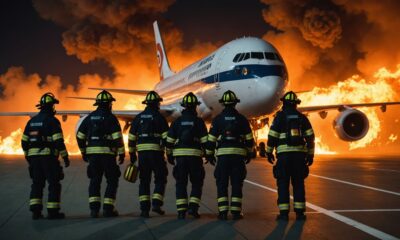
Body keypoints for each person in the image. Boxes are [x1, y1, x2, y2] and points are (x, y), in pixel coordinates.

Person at [266, 91, 315, 221]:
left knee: (283, 185)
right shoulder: (302, 118)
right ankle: (300, 214)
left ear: (284, 103)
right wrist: (310, 155)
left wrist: (269, 152)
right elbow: (310, 137)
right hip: (299, 157)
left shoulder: (280, 117)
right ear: (296, 104)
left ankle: (283, 214)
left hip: (284, 158)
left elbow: (272, 136)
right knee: (298, 184)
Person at [206, 90, 254, 220]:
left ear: (223, 104)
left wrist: (209, 155)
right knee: (237, 184)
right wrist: (249, 153)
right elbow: (250, 140)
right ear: (235, 104)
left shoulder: (217, 120)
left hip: (223, 158)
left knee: (222, 184)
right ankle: (236, 212)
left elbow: (211, 140)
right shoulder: (242, 119)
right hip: (238, 157)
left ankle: (222, 212)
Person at [76, 90, 125, 218]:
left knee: (94, 181)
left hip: (93, 156)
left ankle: (94, 210)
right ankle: (108, 209)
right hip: (108, 155)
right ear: (109, 104)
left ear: (97, 104)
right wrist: (121, 153)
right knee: (112, 180)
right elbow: (117, 138)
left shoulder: (89, 118)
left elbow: (80, 136)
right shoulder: (111, 118)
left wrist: (83, 152)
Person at [21, 92, 69, 219]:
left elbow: (24, 141)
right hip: (48, 158)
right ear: (51, 106)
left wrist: (28, 156)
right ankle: (53, 212)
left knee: (37, 184)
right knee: (53, 184)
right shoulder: (52, 121)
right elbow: (58, 141)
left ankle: (36, 212)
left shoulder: (32, 121)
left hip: (34, 159)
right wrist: (65, 157)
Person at [165, 92, 208, 219]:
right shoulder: (199, 122)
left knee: (181, 183)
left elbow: (169, 141)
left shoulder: (177, 122)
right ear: (195, 106)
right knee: (196, 183)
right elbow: (205, 141)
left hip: (180, 158)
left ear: (183, 106)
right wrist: (208, 154)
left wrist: (169, 155)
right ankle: (193, 210)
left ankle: (181, 211)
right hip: (195, 158)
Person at [128, 91, 169, 218]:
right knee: (160, 178)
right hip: (156, 154)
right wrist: (169, 153)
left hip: (142, 155)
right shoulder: (160, 117)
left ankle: (144, 210)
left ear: (146, 103)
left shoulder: (138, 117)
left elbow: (131, 137)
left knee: (144, 180)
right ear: (157, 103)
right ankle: (156, 204)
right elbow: (166, 138)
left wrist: (132, 154)